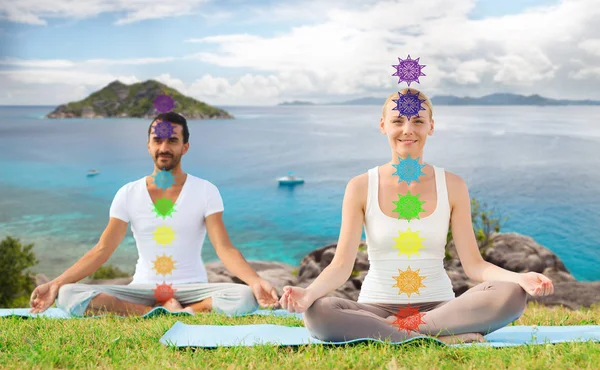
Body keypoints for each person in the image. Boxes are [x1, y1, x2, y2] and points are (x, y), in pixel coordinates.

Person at [280, 88, 554, 343]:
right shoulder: (360, 186)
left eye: (418, 121)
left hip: (440, 307)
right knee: (319, 314)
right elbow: (340, 266)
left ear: (431, 127)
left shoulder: (454, 186)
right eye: (398, 121)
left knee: (511, 295)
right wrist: (309, 294)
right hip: (376, 307)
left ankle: (402, 333)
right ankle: (438, 335)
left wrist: (519, 278)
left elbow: (474, 266)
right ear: (383, 125)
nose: (408, 130)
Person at [30, 112, 279, 317]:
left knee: (245, 295)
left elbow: (224, 249)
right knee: (68, 294)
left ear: (185, 146)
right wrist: (55, 283)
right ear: (149, 145)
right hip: (143, 288)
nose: (164, 148)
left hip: (192, 288)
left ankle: (187, 309)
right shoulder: (128, 193)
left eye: (172, 141)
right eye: (157, 141)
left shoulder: (205, 190)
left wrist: (256, 281)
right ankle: (152, 311)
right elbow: (102, 250)